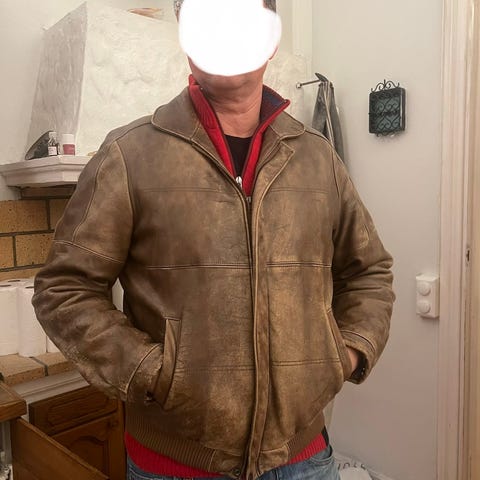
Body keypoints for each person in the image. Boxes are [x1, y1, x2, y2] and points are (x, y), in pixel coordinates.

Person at [33, 1, 394, 479]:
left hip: (304, 460)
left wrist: (344, 354)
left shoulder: (317, 158)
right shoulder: (128, 155)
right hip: (173, 465)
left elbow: (370, 271)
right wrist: (152, 372)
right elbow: (64, 289)